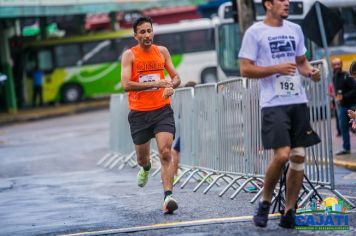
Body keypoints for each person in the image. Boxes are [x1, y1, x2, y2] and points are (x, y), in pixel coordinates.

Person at [238, 0, 321, 229]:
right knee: (282, 155)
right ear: (267, 4)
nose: (287, 3)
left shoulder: (295, 30)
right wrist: (276, 68)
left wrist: (311, 72)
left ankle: (289, 210)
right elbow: (245, 68)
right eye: (282, 0)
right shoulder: (255, 32)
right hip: (273, 103)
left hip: (297, 101)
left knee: (298, 157)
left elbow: (301, 62)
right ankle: (265, 202)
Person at [120, 16, 181, 214]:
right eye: (142, 32)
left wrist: (171, 85)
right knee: (142, 159)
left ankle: (168, 197)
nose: (147, 35)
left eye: (149, 31)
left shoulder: (162, 51)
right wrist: (155, 84)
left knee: (165, 151)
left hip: (162, 110)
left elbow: (176, 77)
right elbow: (126, 84)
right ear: (135, 35)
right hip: (139, 114)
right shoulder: (130, 55)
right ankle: (146, 169)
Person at [171, 81, 196, 182]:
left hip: (189, 131)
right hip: (195, 131)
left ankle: (175, 175)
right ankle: (204, 174)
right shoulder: (198, 100)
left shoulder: (187, 102)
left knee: (174, 151)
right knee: (201, 151)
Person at [332, 58, 356, 155]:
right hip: (342, 106)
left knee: (354, 127)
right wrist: (334, 102)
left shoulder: (347, 76)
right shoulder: (333, 77)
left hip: (352, 105)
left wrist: (344, 96)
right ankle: (346, 148)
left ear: (341, 65)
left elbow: (355, 89)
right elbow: (336, 92)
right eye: (334, 65)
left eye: (338, 64)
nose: (337, 66)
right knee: (343, 127)